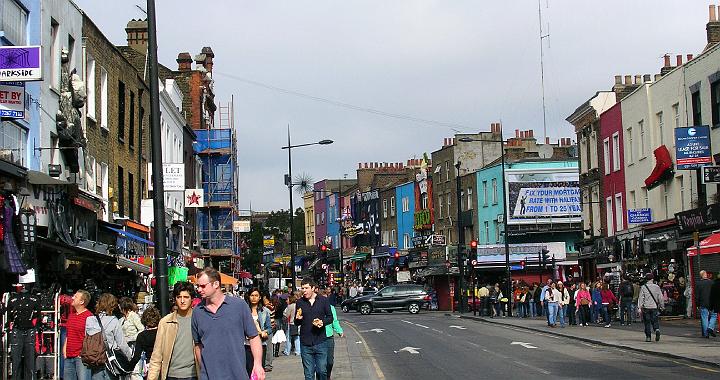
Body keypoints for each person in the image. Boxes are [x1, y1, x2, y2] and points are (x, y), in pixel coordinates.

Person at [192, 267, 265, 380]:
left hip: (237, 374)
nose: (199, 289)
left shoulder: (239, 306)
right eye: (198, 286)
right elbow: (198, 345)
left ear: (216, 284)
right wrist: (204, 370)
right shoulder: (197, 311)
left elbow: (254, 337)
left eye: (203, 286)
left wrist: (258, 364)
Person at [147, 282, 199, 380]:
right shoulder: (166, 322)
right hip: (171, 375)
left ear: (192, 299)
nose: (182, 301)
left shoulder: (199, 320)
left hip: (193, 375)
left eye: (186, 297)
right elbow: (156, 355)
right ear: (175, 299)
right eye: (179, 297)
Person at [85, 293, 132, 380]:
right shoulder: (114, 321)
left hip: (95, 359)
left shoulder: (89, 320)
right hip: (110, 360)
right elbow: (121, 343)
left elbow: (87, 338)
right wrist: (129, 358)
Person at [295, 279, 334, 380]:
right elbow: (296, 322)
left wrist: (322, 322)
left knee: (322, 371)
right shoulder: (300, 302)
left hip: (320, 341)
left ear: (313, 288)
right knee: (308, 374)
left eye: (306, 288)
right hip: (305, 343)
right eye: (302, 288)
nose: (304, 291)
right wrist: (298, 319)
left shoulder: (323, 300)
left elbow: (330, 317)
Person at [64, 290, 93, 380]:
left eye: (76, 297)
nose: (72, 298)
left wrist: (83, 354)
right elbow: (68, 334)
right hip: (69, 357)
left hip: (81, 358)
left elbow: (92, 338)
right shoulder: (71, 316)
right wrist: (64, 350)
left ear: (82, 302)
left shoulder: (89, 317)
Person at [127, 306, 160, 378]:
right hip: (163, 365)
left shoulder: (142, 336)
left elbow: (136, 357)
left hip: (150, 366)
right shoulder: (162, 332)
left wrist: (129, 367)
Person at [245, 288, 272, 374]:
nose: (254, 298)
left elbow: (269, 328)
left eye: (256, 296)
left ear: (260, 297)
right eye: (252, 295)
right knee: (248, 370)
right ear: (249, 297)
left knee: (259, 371)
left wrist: (265, 332)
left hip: (260, 344)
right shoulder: (244, 310)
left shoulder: (265, 311)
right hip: (247, 345)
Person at [119, 297, 144, 380]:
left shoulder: (134, 316)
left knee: (135, 372)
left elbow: (141, 330)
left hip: (134, 346)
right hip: (124, 348)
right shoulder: (121, 319)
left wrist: (130, 338)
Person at [323, 288, 344, 380]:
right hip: (318, 337)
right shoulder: (314, 307)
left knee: (330, 361)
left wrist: (339, 331)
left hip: (329, 337)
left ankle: (327, 376)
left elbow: (335, 321)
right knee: (320, 362)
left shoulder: (331, 308)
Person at [638, 273, 665, 342]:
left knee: (647, 322)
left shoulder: (643, 287)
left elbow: (641, 298)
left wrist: (639, 307)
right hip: (654, 307)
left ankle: (648, 337)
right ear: (652, 279)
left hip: (646, 307)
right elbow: (660, 298)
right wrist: (662, 306)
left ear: (646, 279)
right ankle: (656, 329)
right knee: (655, 320)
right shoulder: (657, 287)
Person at [696, 270, 717, 338]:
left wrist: (697, 304)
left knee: (704, 318)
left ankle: (706, 334)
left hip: (703, 303)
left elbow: (697, 295)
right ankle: (710, 328)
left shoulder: (698, 284)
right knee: (714, 315)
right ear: (706, 275)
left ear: (700, 276)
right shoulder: (712, 282)